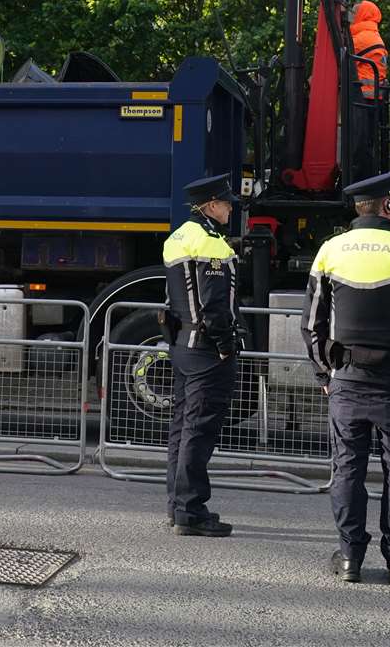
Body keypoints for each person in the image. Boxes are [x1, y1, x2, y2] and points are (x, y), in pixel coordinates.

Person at [303, 170, 390, 586]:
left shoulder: (329, 250)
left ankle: (350, 558)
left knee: (347, 468)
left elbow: (311, 325)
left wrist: (325, 373)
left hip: (345, 380)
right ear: (386, 206)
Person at [161, 172, 243, 537]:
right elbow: (215, 305)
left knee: (181, 427)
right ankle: (191, 510)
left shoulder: (178, 237)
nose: (230, 209)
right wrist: (226, 346)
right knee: (199, 430)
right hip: (207, 351)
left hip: (182, 345)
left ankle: (176, 504)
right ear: (211, 205)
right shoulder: (212, 245)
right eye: (226, 203)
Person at [349, 1, 390, 181]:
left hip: (363, 98)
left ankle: (357, 180)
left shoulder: (360, 38)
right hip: (373, 98)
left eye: (355, 12)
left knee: (358, 144)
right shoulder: (373, 35)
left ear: (363, 15)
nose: (351, 15)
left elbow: (336, 62)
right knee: (367, 142)